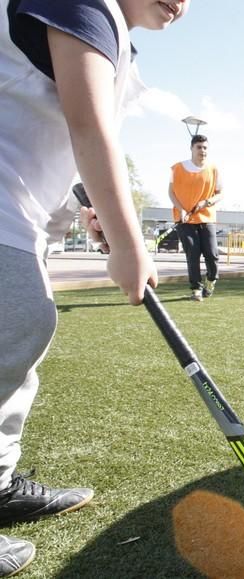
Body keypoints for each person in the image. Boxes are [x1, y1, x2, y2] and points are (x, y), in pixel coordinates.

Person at [0, 0, 189, 575]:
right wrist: (131, 243)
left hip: (21, 212)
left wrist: (88, 206)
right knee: (17, 323)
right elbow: (88, 125)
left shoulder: (114, 36)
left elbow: (52, 124)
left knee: (18, 345)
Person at [169, 134, 223, 300]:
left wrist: (206, 202)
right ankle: (196, 289)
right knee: (193, 253)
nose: (202, 151)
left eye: (205, 147)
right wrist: (181, 209)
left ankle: (211, 280)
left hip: (207, 218)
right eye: (199, 147)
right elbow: (171, 193)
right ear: (191, 148)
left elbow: (220, 194)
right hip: (185, 219)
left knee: (212, 254)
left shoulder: (213, 169)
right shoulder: (176, 168)